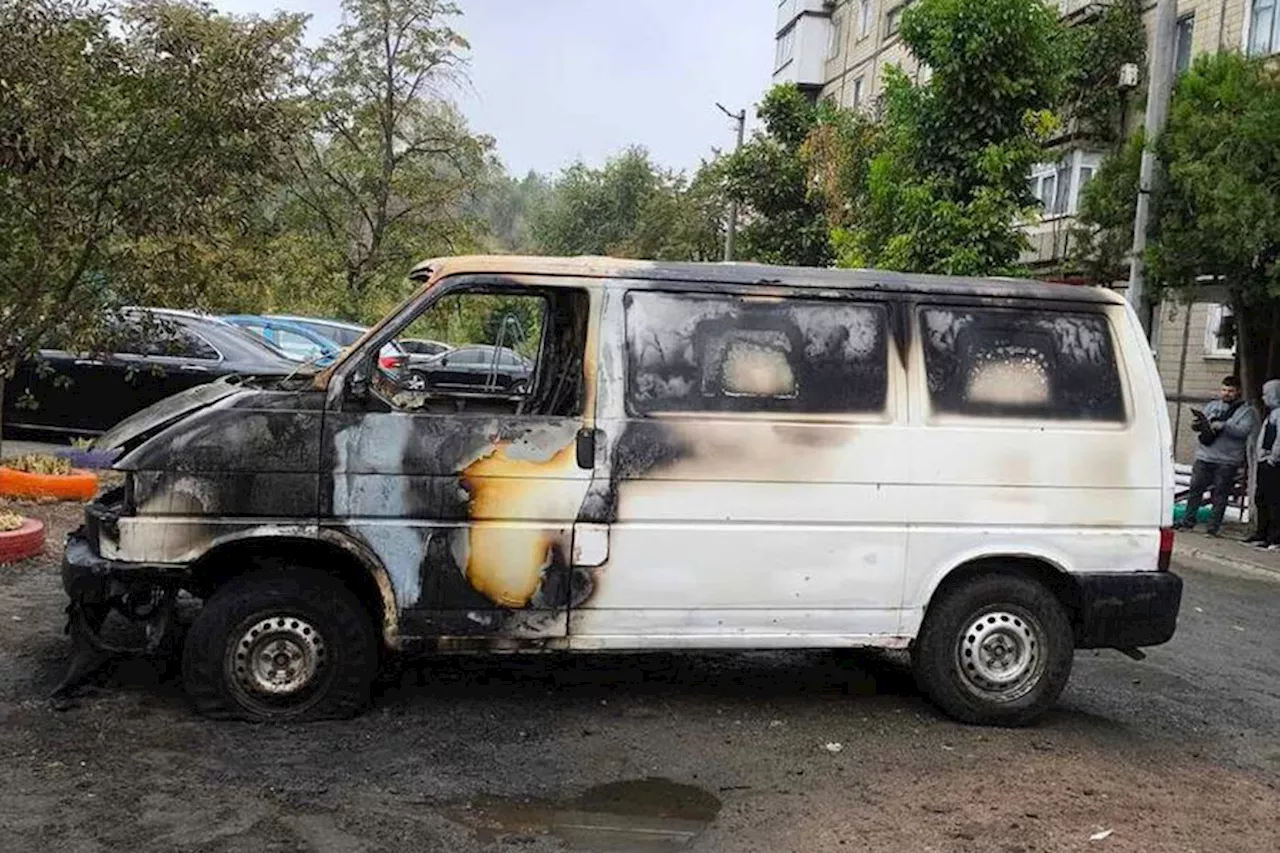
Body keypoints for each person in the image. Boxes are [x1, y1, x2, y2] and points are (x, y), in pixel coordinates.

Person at [1178, 375, 1258, 536]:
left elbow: (1243, 431)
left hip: (1227, 460)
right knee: (1195, 490)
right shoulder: (1212, 406)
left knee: (1220, 494)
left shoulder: (1247, 411)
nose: (1226, 393)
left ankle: (1212, 527)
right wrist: (1198, 425)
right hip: (1205, 456)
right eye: (1224, 390)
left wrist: (1223, 425)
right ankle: (1188, 521)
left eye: (1230, 391)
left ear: (1238, 392)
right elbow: (1201, 426)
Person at [1244, 379, 1280, 548]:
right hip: (1264, 461)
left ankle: (1274, 537)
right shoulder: (1270, 415)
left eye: (1267, 394)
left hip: (1273, 464)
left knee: (1273, 501)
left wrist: (1273, 458)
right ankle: (1262, 532)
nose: (1264, 398)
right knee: (1261, 498)